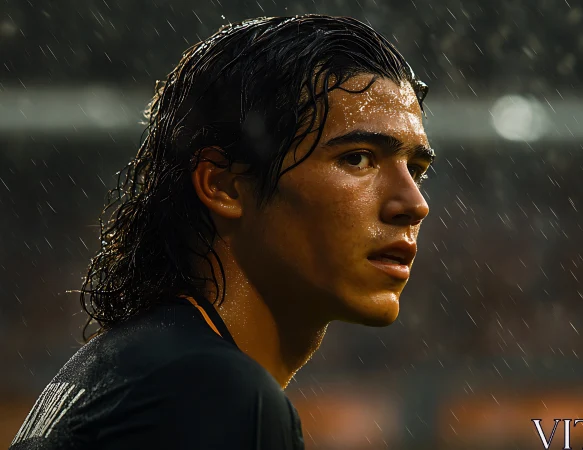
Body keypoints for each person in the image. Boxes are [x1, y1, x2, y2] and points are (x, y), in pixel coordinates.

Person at [10, 14, 434, 450]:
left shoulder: (122, 369)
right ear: (225, 185)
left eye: (416, 171)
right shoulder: (215, 393)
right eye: (358, 159)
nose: (414, 204)